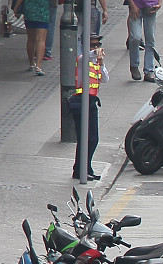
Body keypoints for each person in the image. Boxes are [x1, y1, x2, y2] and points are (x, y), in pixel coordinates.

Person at [68, 34, 107, 180]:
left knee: (93, 139)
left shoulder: (96, 62)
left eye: (97, 45)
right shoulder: (83, 58)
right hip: (81, 102)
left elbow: (105, 79)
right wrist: (94, 54)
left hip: (91, 103)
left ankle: (86, 167)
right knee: (85, 139)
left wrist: (101, 63)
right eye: (92, 45)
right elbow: (88, 56)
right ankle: (79, 170)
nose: (96, 48)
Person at [13, 0, 52, 74]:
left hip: (29, 10)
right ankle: (38, 66)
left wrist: (16, 7)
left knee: (31, 39)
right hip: (43, 11)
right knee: (41, 40)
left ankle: (31, 64)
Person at [127, 0, 160, 81]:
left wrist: (159, 3)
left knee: (150, 38)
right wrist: (132, 5)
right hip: (136, 5)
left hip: (151, 6)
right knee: (135, 37)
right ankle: (134, 65)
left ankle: (149, 70)